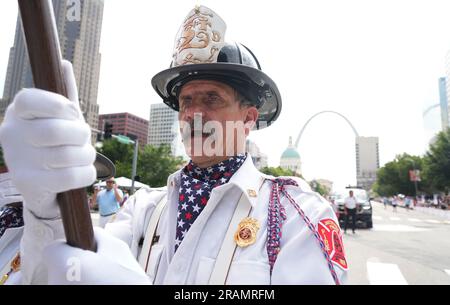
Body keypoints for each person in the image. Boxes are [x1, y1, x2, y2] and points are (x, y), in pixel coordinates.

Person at [0, 6, 347, 285]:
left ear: (248, 118)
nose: (195, 112)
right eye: (186, 101)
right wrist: (45, 212)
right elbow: (59, 271)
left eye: (212, 98)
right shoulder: (142, 209)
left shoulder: (296, 216)